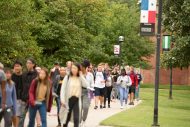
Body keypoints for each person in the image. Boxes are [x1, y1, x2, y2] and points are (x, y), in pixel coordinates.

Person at [60, 63, 88, 127]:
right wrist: (62, 100)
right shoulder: (67, 77)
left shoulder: (80, 78)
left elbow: (86, 85)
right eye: (72, 68)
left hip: (77, 100)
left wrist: (81, 76)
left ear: (78, 69)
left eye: (75, 68)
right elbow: (63, 89)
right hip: (68, 100)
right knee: (66, 118)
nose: (73, 70)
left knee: (76, 118)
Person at [20, 58, 38, 127]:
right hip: (24, 98)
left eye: (29, 63)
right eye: (27, 63)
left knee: (31, 117)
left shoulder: (37, 75)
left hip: (33, 99)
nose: (28, 64)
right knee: (21, 116)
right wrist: (21, 95)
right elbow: (21, 86)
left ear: (33, 64)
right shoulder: (24, 74)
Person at [81, 60, 94, 127]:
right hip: (79, 91)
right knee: (79, 107)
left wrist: (91, 87)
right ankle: (79, 121)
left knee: (86, 107)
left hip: (87, 92)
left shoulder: (90, 75)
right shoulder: (79, 74)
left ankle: (83, 120)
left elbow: (92, 83)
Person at [11, 61, 23, 127]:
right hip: (10, 98)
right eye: (15, 66)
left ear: (21, 67)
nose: (16, 67)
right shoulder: (11, 76)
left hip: (20, 98)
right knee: (11, 115)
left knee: (17, 114)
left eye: (18, 66)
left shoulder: (24, 76)